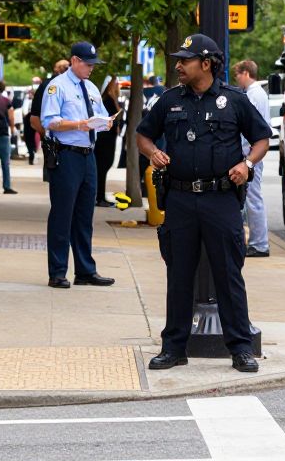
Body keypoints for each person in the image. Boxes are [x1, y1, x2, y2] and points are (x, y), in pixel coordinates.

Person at [136, 33, 271, 374]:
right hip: (180, 198)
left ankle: (240, 348)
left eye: (186, 60)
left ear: (207, 63)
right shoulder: (169, 100)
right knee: (179, 274)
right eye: (178, 60)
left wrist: (247, 164)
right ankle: (173, 347)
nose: (179, 65)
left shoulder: (234, 100)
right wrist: (153, 153)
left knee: (228, 274)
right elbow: (143, 134)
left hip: (221, 198)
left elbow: (261, 138)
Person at [40, 42, 115, 288]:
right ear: (74, 61)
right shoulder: (57, 86)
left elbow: (101, 114)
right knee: (63, 213)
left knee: (85, 214)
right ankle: (58, 271)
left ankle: (85, 270)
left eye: (93, 64)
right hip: (67, 154)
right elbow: (49, 121)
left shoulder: (91, 88)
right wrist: (78, 125)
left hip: (88, 155)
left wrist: (106, 123)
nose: (91, 68)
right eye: (87, 63)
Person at [233, 60, 270, 258]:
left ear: (246, 73)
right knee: (251, 199)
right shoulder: (257, 94)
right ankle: (258, 241)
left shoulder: (253, 95)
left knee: (253, 200)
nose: (237, 79)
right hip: (252, 154)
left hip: (250, 155)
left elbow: (247, 126)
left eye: (237, 75)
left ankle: (259, 244)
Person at [30, 59, 69, 182]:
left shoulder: (46, 85)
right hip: (58, 138)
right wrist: (46, 134)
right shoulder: (48, 86)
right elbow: (35, 117)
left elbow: (34, 117)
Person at [94, 75, 123, 207]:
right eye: (115, 83)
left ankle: (100, 196)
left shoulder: (110, 100)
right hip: (104, 140)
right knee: (102, 167)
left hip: (108, 139)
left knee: (103, 168)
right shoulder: (107, 101)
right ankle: (99, 197)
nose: (117, 86)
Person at [22, 78, 41, 164]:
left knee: (32, 136)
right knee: (29, 136)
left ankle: (32, 150)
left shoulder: (40, 93)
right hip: (29, 116)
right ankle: (31, 151)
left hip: (34, 116)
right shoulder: (28, 95)